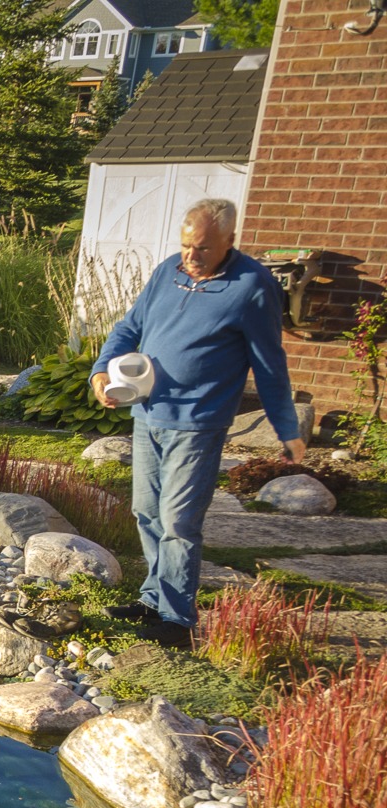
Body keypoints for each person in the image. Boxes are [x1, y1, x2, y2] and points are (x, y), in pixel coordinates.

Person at [90, 197, 306, 648]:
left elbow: (269, 363)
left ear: (231, 241)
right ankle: (154, 599)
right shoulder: (169, 270)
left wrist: (287, 429)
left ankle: (177, 619)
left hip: (199, 420)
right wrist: (102, 370)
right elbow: (129, 328)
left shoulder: (253, 285)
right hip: (148, 411)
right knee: (146, 511)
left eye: (203, 248)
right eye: (187, 245)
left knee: (179, 521)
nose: (191, 255)